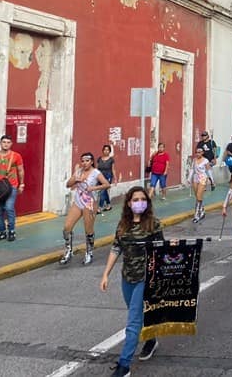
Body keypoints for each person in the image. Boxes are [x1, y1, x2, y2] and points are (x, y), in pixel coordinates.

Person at [100, 186, 163, 377]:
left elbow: (160, 250)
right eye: (135, 200)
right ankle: (151, 339)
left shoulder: (154, 224)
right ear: (129, 203)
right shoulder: (123, 225)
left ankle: (124, 366)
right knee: (135, 313)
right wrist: (105, 274)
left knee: (133, 321)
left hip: (146, 277)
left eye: (142, 199)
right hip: (127, 277)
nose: (139, 203)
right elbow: (116, 248)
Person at [60, 152, 111, 265]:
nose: (84, 163)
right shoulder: (78, 172)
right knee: (67, 228)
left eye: (87, 161)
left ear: (92, 161)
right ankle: (68, 251)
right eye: (82, 161)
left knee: (88, 230)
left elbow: (107, 184)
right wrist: (75, 180)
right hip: (78, 202)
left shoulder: (96, 173)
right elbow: (68, 184)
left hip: (89, 204)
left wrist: (93, 188)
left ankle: (89, 252)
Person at [188, 147, 210, 223]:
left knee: (199, 196)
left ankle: (197, 215)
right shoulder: (194, 160)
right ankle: (202, 210)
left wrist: (212, 180)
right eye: (196, 152)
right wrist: (189, 178)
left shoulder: (205, 160)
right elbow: (192, 169)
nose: (198, 154)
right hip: (195, 178)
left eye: (199, 152)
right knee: (197, 196)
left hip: (203, 178)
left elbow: (208, 171)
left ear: (202, 152)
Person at [97, 144, 117, 213]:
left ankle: (100, 207)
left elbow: (113, 169)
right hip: (100, 176)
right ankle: (108, 205)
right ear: (103, 151)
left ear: (109, 151)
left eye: (107, 150)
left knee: (103, 191)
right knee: (105, 192)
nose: (106, 151)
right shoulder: (99, 159)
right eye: (105, 150)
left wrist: (115, 178)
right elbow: (97, 169)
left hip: (108, 176)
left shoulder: (111, 160)